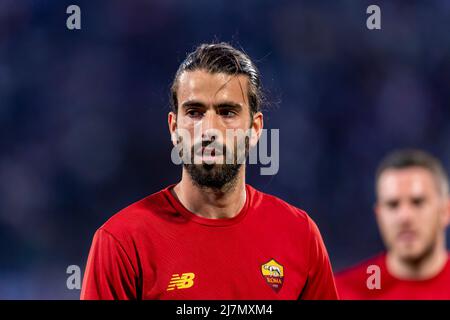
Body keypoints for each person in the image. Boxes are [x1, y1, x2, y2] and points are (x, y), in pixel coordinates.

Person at [80, 42, 338, 300]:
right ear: (174, 128)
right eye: (194, 112)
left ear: (255, 129)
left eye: (227, 112)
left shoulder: (299, 235)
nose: (209, 129)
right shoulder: (122, 243)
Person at [335, 149, 450, 299]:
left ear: (445, 211)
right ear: (379, 215)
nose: (404, 217)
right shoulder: (340, 292)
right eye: (393, 205)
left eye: (418, 202)